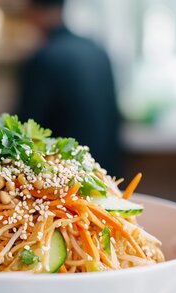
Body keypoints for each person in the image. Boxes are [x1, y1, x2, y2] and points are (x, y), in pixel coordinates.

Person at [16, 0, 122, 175]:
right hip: (106, 173)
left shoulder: (43, 59)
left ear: (34, 13)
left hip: (66, 177)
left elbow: (25, 128)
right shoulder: (98, 51)